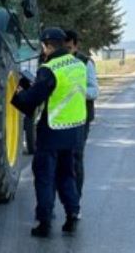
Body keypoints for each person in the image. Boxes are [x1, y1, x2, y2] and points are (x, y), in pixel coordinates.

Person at [12, 28, 89, 237]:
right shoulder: (79, 64)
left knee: (45, 177)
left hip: (52, 131)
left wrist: (19, 94)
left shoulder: (49, 69)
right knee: (67, 175)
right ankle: (72, 214)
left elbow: (32, 99)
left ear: (47, 45)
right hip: (74, 130)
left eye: (43, 47)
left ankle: (44, 222)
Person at [64, 29, 99, 199]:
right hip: (59, 118)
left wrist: (78, 91)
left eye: (69, 48)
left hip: (80, 118)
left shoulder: (86, 63)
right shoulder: (54, 62)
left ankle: (75, 200)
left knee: (76, 157)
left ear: (76, 46)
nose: (67, 52)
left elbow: (94, 91)